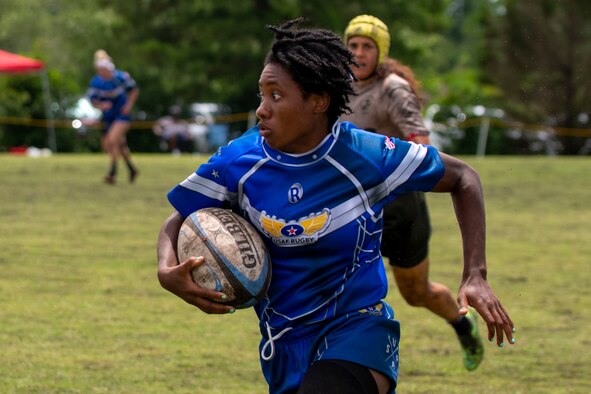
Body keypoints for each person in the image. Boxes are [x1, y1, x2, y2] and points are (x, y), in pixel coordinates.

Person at [157, 18, 515, 394]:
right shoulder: (240, 160)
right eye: (261, 95)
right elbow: (181, 216)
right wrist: (166, 269)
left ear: (318, 101)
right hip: (284, 342)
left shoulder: (366, 155)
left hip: (359, 331)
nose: (262, 109)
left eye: (276, 96)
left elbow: (464, 177)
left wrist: (476, 273)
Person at [341, 14, 490, 371]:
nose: (359, 53)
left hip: (401, 209)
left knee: (415, 292)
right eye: (353, 45)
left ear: (381, 52)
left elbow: (421, 145)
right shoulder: (338, 86)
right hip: (355, 208)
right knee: (344, 284)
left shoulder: (392, 88)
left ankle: (460, 322)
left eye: (367, 47)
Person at [87, 49, 139, 184]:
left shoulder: (121, 77)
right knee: (119, 145)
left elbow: (134, 90)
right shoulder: (96, 82)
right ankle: (132, 169)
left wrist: (128, 106)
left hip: (122, 116)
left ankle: (112, 173)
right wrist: (101, 105)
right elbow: (93, 101)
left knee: (112, 141)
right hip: (108, 117)